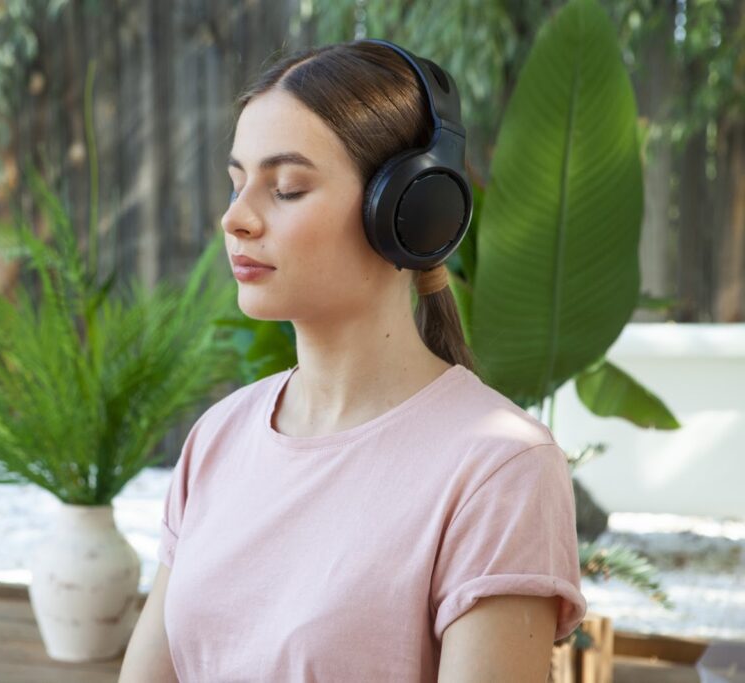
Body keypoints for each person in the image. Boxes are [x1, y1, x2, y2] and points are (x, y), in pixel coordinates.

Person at [120, 38, 586, 683]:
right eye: (235, 184)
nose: (236, 219)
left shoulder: (499, 469)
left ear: (410, 210)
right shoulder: (218, 439)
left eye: (285, 188)